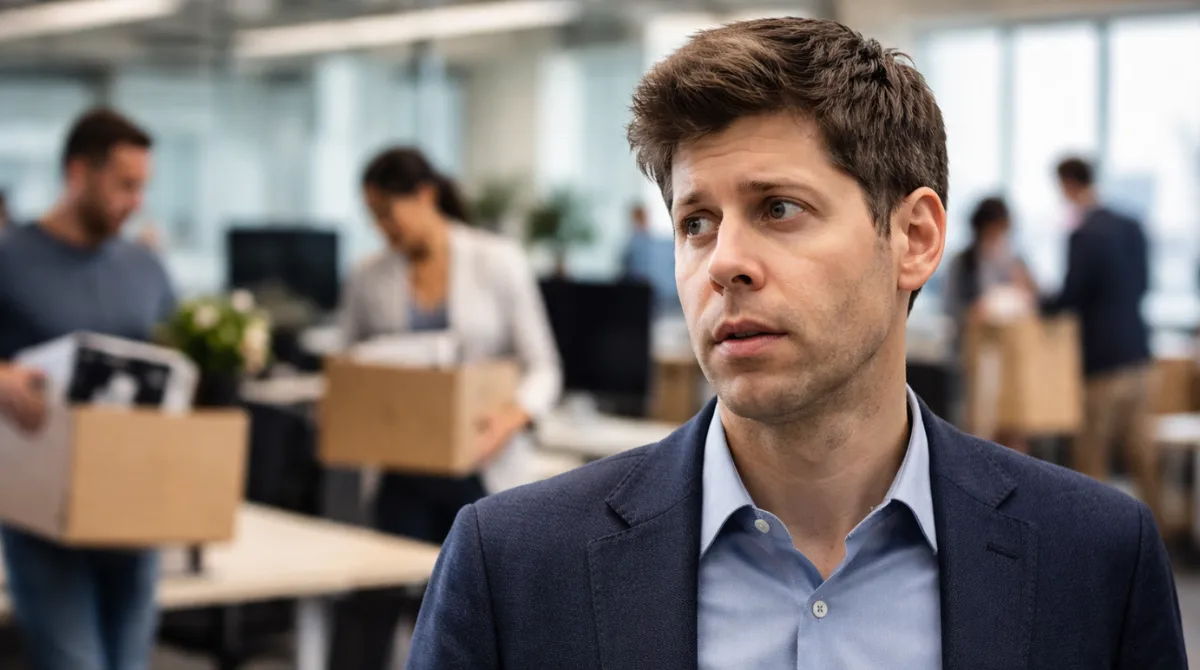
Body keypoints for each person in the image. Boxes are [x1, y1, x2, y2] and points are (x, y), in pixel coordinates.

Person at [406, 17, 1184, 669]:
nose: (724, 264)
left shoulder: (1096, 562)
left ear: (914, 238)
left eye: (779, 208)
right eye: (696, 223)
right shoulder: (511, 566)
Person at [330, 146, 562, 670]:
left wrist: (511, 417)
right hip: (401, 468)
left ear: (426, 195)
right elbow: (345, 368)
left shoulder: (496, 260)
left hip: (478, 464)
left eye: (389, 213)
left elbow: (545, 368)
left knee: (469, 614)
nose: (382, 229)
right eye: (373, 218)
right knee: (373, 599)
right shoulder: (369, 276)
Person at [0, 108, 175, 670]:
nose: (136, 200)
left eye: (142, 186)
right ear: (78, 172)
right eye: (125, 184)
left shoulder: (147, 269)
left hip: (133, 506)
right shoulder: (11, 259)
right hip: (42, 513)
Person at [1043, 157, 1158, 522]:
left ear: (1068, 185)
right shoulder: (1132, 226)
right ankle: (1159, 537)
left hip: (1101, 362)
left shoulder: (1084, 234)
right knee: (1142, 454)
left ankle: (1096, 539)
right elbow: (1143, 285)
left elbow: (1070, 298)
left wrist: (1037, 300)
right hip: (1138, 354)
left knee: (1091, 456)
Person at [942, 196, 1037, 450]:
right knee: (977, 428)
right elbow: (952, 307)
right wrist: (976, 312)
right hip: (975, 357)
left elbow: (1035, 301)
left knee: (1014, 430)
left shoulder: (1016, 261)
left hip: (1012, 359)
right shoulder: (963, 262)